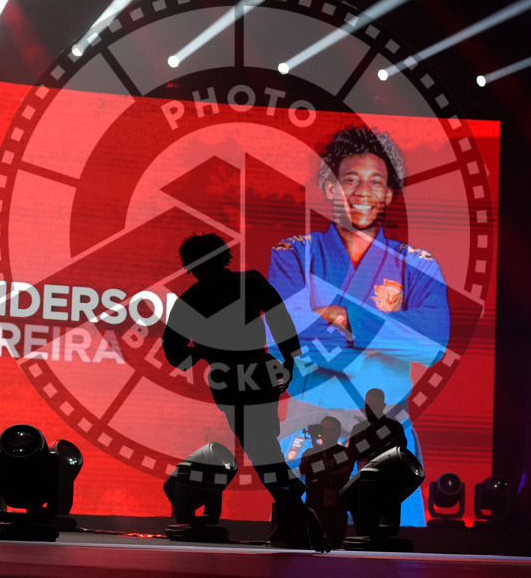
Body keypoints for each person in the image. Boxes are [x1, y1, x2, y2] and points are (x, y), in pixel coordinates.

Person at [268, 125, 450, 525]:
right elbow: (281, 332)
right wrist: (386, 329)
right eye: (349, 179)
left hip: (388, 426)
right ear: (331, 189)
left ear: (388, 194)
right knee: (299, 551)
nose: (362, 190)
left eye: (376, 181)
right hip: (309, 423)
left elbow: (431, 342)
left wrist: (342, 315)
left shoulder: (417, 264)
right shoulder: (295, 254)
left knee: (397, 555)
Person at [161, 233, 329, 552]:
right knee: (267, 448)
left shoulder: (190, 300)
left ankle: (297, 509)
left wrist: (203, 354)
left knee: (262, 451)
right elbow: (282, 323)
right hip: (261, 371)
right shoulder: (249, 282)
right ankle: (291, 521)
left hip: (231, 380)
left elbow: (173, 352)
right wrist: (290, 361)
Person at [299, 416, 353, 546]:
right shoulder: (311, 452)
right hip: (315, 504)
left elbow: (345, 473)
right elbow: (303, 469)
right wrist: (314, 453)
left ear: (338, 432)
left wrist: (326, 477)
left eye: (330, 430)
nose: (326, 433)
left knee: (336, 541)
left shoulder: (343, 453)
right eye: (324, 430)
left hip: (337, 506)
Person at [348, 388, 408, 469]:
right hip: (364, 477)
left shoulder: (394, 428)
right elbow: (350, 455)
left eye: (374, 406)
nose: (370, 410)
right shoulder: (358, 429)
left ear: (383, 406)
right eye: (368, 406)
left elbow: (400, 453)